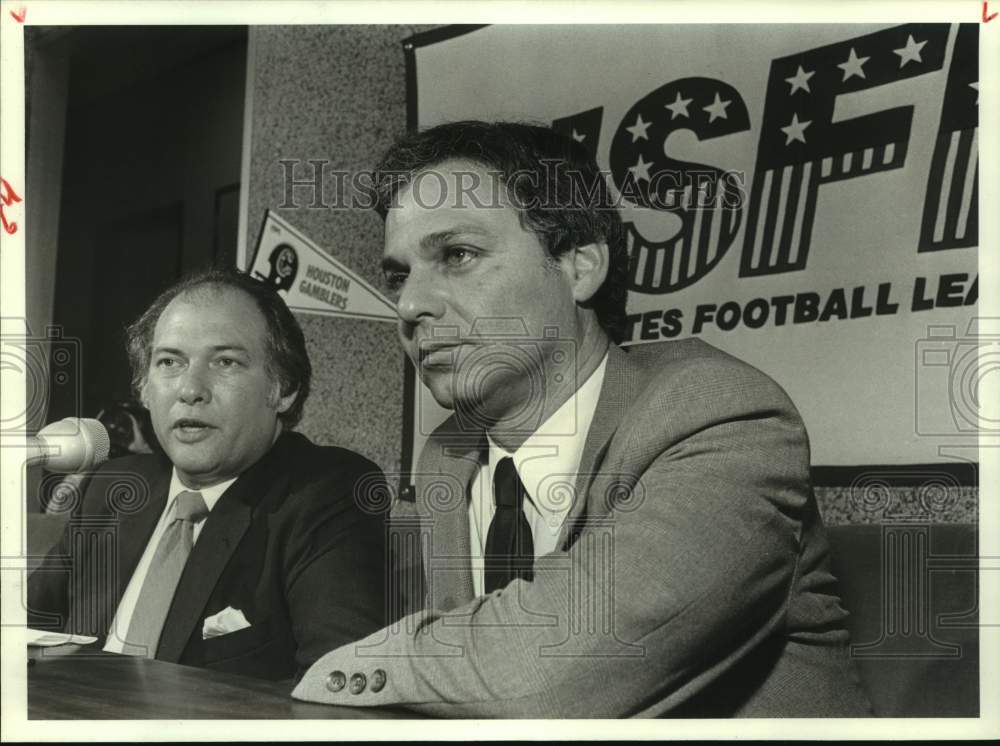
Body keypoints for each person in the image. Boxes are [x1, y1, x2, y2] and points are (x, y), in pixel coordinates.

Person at [292, 121, 873, 716]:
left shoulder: (722, 415)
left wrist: (341, 670)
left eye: (457, 255)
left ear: (579, 266)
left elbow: (543, 676)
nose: (411, 305)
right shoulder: (449, 454)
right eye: (399, 275)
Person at [28, 268, 389, 682]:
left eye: (225, 362)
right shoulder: (113, 487)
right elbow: (28, 627)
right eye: (169, 362)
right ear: (144, 388)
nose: (190, 389)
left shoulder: (328, 493)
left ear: (283, 388)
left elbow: (343, 691)